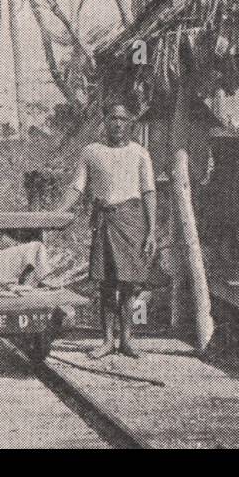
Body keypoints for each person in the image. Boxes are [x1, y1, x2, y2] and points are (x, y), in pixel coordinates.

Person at [57, 101, 158, 359]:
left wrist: (152, 231)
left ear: (130, 123)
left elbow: (149, 192)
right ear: (105, 121)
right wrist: (55, 214)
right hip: (104, 220)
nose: (117, 124)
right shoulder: (91, 152)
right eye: (112, 118)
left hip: (132, 222)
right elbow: (76, 188)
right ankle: (107, 340)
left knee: (128, 285)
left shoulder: (140, 153)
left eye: (122, 119)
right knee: (105, 284)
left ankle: (126, 340)